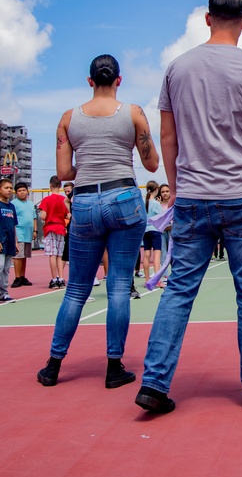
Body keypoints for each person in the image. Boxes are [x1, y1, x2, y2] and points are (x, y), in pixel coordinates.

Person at [136, 0, 242, 414]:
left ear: (206, 18)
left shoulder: (177, 68)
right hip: (240, 195)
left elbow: (168, 136)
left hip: (193, 195)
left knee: (179, 290)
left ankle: (155, 382)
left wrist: (176, 186)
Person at [36, 54, 159, 388]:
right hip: (124, 198)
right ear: (119, 80)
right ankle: (114, 366)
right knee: (118, 285)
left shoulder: (68, 118)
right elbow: (151, 164)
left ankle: (53, 366)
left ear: (89, 81)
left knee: (76, 288)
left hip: (87, 200)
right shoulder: (133, 113)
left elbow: (63, 174)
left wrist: (89, 166)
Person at [39, 175, 69, 288]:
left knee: (52, 254)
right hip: (61, 228)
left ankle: (54, 278)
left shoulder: (46, 200)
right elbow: (68, 214)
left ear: (50, 186)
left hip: (50, 228)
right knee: (60, 254)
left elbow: (43, 216)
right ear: (60, 186)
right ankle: (61, 278)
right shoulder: (63, 200)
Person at [10, 182, 37, 286]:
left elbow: (34, 217)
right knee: (18, 255)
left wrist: (35, 230)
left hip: (28, 233)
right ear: (16, 193)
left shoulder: (30, 203)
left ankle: (22, 276)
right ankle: (17, 277)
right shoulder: (14, 203)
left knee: (24, 256)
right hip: (19, 232)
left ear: (27, 191)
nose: (22, 193)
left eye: (23, 190)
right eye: (19, 191)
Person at [140, 180, 163, 282]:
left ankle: (147, 279)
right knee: (157, 254)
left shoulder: (142, 203)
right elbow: (161, 217)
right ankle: (157, 280)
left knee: (146, 254)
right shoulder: (156, 204)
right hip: (155, 230)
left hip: (145, 230)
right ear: (156, 190)